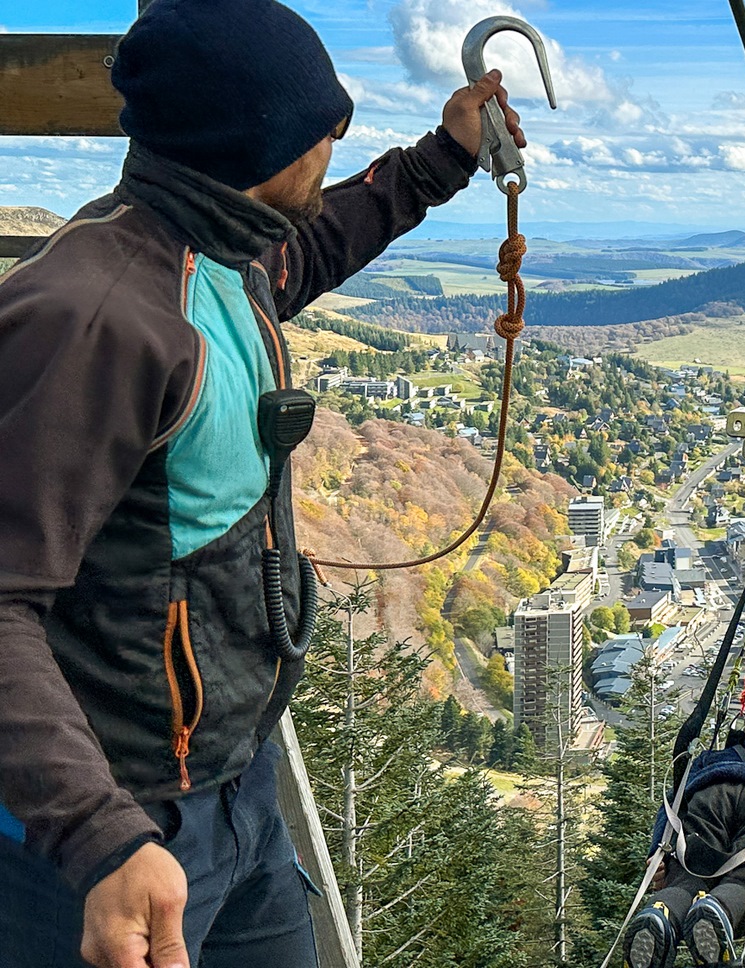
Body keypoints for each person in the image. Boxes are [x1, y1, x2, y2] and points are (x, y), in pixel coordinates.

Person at [0, 1, 531, 965]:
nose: (334, 140)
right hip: (114, 837)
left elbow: (316, 244)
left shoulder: (217, 248)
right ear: (248, 138)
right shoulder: (94, 320)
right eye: (316, 127)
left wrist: (442, 158)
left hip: (234, 797)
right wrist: (98, 833)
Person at [626, 704, 745, 968]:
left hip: (709, 798)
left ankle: (660, 912)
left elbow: (673, 800)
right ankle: (718, 908)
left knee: (686, 879)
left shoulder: (715, 757)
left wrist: (658, 852)